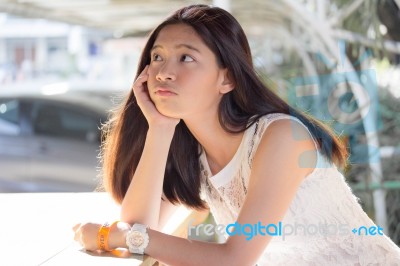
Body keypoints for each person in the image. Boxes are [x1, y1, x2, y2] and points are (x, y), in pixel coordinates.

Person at [73, 4, 400, 265]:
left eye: (186, 57)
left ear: (227, 79)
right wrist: (160, 128)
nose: (164, 71)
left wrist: (112, 237)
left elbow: (234, 259)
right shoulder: (193, 150)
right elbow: (138, 223)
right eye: (157, 56)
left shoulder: (281, 137)